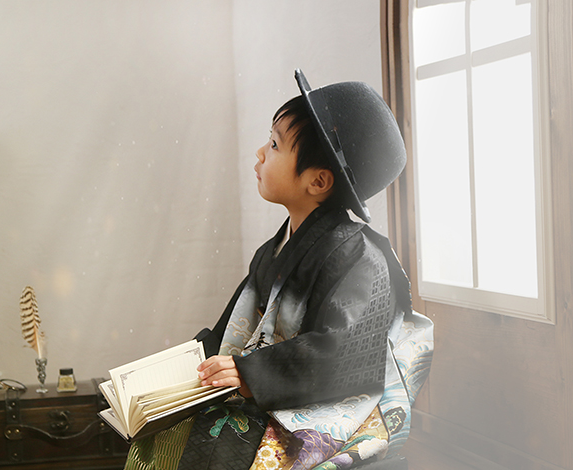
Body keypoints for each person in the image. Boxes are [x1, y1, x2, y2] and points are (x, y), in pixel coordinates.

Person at [125, 70, 433, 470]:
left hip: (326, 405)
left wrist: (248, 373)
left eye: (274, 145)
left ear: (318, 181)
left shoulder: (361, 258)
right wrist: (178, 373)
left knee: (219, 447)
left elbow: (343, 353)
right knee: (163, 431)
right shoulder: (273, 250)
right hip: (272, 387)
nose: (260, 153)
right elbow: (232, 329)